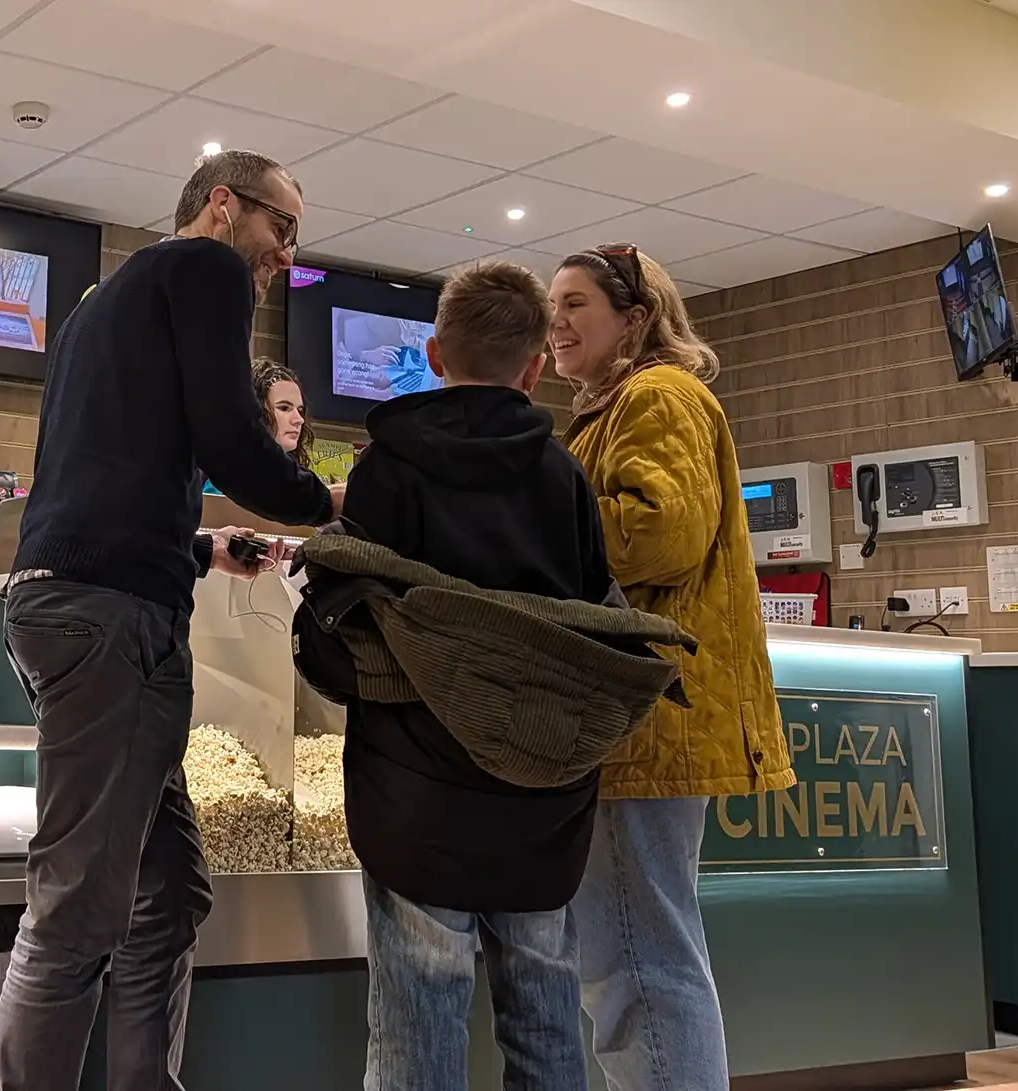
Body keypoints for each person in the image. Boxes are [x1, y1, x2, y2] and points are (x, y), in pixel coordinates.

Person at [0, 150, 343, 1091]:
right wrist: (332, 504)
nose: (286, 255)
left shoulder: (99, 304)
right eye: (281, 227)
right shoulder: (206, 268)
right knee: (75, 915)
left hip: (74, 602)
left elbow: (95, 475)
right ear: (223, 205)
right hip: (110, 624)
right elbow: (233, 437)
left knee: (169, 891)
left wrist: (198, 546)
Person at [294, 261, 691, 1090]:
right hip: (542, 804)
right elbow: (596, 627)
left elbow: (340, 644)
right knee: (547, 1025)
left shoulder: (387, 468)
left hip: (414, 802)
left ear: (434, 354)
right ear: (535, 367)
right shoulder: (565, 477)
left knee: (415, 1034)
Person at [549, 244, 794, 1090]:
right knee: (634, 957)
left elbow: (662, 532)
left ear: (636, 318)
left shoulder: (659, 395)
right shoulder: (614, 406)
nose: (555, 322)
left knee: (637, 962)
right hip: (634, 719)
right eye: (552, 305)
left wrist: (533, 522)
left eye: (575, 303)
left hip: (645, 719)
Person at [203, 357, 310, 496]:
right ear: (254, 411)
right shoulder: (223, 485)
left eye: (300, 410)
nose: (299, 420)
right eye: (284, 408)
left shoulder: (290, 481)